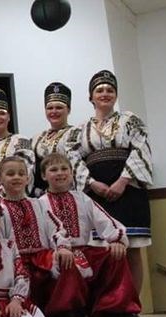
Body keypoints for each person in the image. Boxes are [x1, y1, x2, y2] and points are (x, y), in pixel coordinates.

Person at [66, 70, 153, 293]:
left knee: (132, 248)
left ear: (116, 95)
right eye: (99, 90)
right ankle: (107, 303)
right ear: (90, 97)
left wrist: (123, 181)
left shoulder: (131, 120)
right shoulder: (79, 129)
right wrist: (92, 183)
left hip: (128, 190)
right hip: (95, 193)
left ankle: (133, 303)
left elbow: (141, 150)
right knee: (101, 250)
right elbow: (73, 157)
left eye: (110, 90)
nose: (105, 94)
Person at [39, 152, 141, 317]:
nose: (60, 173)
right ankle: (68, 310)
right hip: (56, 253)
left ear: (72, 173)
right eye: (53, 169)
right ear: (43, 176)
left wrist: (116, 240)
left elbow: (105, 220)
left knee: (114, 255)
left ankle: (114, 308)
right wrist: (62, 249)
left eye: (64, 168)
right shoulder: (40, 203)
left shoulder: (82, 198)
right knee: (65, 259)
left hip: (84, 250)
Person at [0, 156, 88, 317]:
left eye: (21, 174)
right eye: (10, 174)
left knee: (65, 260)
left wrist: (62, 247)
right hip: (15, 261)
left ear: (27, 178)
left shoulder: (38, 204)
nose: (16, 177)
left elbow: (56, 228)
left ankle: (65, 310)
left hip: (40, 258)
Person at [0, 88, 35, 187]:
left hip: (16, 195)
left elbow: (27, 172)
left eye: (2, 113)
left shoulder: (20, 141)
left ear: (8, 117)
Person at [31, 82, 79, 197]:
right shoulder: (36, 138)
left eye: (59, 107)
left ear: (68, 110)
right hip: (41, 196)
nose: (54, 111)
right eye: (50, 108)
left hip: (68, 193)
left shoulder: (76, 133)